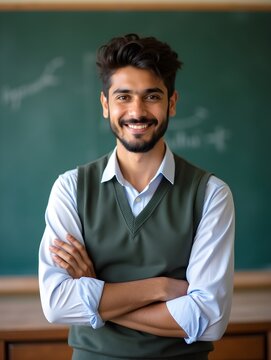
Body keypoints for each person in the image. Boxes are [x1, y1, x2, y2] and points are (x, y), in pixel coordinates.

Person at [39, 33, 235, 360]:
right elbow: (57, 305)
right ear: (105, 105)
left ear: (172, 102)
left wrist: (96, 291)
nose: (137, 111)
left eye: (152, 96)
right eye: (124, 97)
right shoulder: (70, 188)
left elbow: (208, 318)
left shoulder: (211, 194)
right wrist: (159, 288)